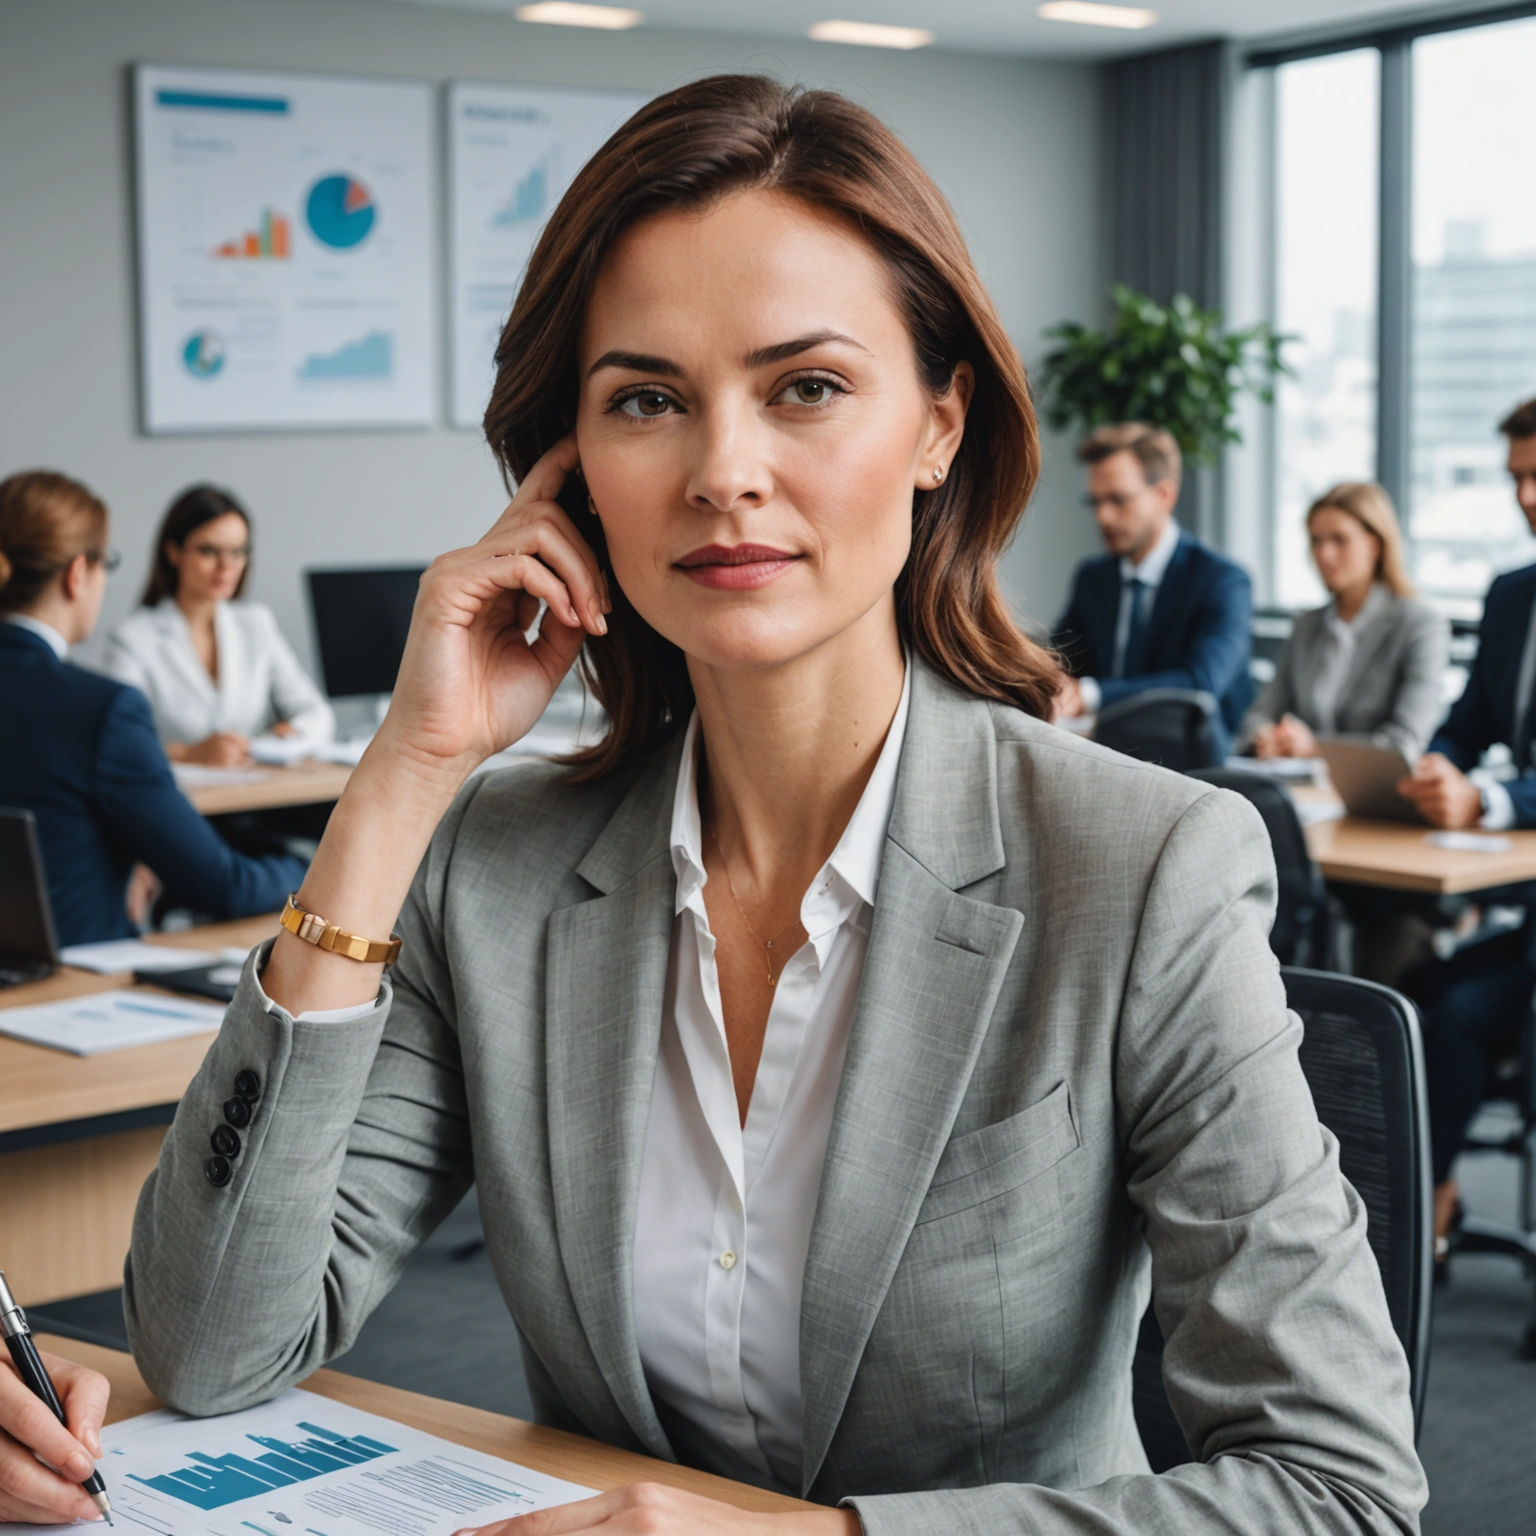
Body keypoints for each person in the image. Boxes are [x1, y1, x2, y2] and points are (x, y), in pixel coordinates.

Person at [8, 79, 1421, 1535]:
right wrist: (403, 780)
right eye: (647, 401)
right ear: (571, 476)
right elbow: (213, 1346)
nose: (723, 474)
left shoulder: (1142, 866)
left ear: (939, 425)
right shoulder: (494, 868)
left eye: (805, 387)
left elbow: (1342, 1492)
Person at [0, 470, 305, 948]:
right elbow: (227, 886)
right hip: (76, 975)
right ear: (78, 574)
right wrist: (310, 864)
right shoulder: (100, 709)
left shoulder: (95, 706)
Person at [1394, 396, 1536, 1259]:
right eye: (1516, 477)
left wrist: (1492, 800)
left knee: (1450, 1015)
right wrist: (1440, 767)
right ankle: (1426, 1202)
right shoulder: (1513, 595)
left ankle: (1428, 1213)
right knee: (1414, 998)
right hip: (1519, 910)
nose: (1525, 497)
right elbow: (1467, 722)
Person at [1051, 423, 1253, 755]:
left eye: (1118, 499)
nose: (1103, 517)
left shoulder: (1222, 580)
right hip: (1105, 755)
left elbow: (1201, 683)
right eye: (1096, 502)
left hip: (1194, 766)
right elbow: (1061, 659)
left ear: (1164, 495)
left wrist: (1088, 695)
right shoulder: (1093, 578)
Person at [104, 485, 333, 766]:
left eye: (237, 552)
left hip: (257, 785)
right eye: (209, 551)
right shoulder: (132, 639)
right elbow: (119, 740)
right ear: (173, 552)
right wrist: (189, 754)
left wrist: (282, 737)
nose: (226, 566)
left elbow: (317, 715)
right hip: (178, 789)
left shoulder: (256, 623)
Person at [1242, 481, 1448, 760]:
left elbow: (1403, 744)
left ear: (1374, 545)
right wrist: (1267, 737)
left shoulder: (1420, 626)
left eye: (1339, 540)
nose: (1324, 554)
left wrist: (1315, 750)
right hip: (1294, 780)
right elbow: (1260, 714)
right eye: (1316, 541)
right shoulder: (1306, 625)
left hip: (1373, 786)